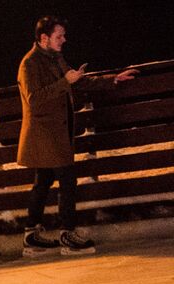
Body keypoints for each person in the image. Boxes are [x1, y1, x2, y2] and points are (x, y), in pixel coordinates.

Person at [18, 16, 138, 257]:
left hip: (54, 133)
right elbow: (34, 100)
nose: (64, 40)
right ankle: (67, 233)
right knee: (67, 181)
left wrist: (111, 79)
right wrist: (65, 82)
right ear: (44, 38)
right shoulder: (30, 64)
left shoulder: (54, 57)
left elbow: (77, 84)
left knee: (42, 183)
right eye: (59, 36)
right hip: (45, 135)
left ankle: (31, 236)